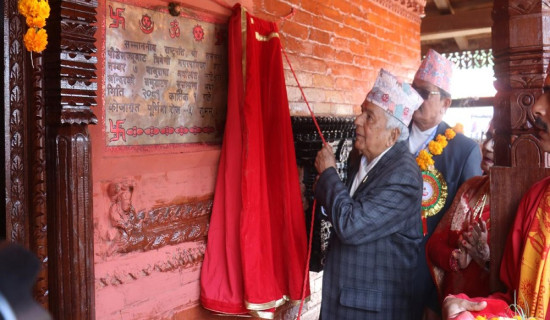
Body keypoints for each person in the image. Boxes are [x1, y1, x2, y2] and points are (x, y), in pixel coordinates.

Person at [314, 69, 424, 319]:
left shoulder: (404, 175)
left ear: (393, 136)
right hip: (345, 299)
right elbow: (345, 208)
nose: (358, 121)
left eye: (369, 117)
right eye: (362, 111)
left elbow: (352, 225)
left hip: (371, 309)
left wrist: (329, 175)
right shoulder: (361, 158)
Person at [442, 85, 550, 320]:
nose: (538, 107)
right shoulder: (536, 200)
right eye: (490, 137)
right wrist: (469, 308)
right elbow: (516, 305)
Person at [409, 49, 483, 319]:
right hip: (386, 269)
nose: (416, 99)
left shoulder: (464, 151)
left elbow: (463, 225)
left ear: (446, 103)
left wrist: (438, 289)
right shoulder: (391, 136)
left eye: (425, 93)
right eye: (412, 90)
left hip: (430, 276)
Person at [426, 126, 495, 302]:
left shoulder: (525, 201)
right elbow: (434, 245)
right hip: (453, 306)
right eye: (487, 137)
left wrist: (487, 259)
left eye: (497, 139)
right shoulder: (471, 188)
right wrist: (456, 258)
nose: (487, 146)